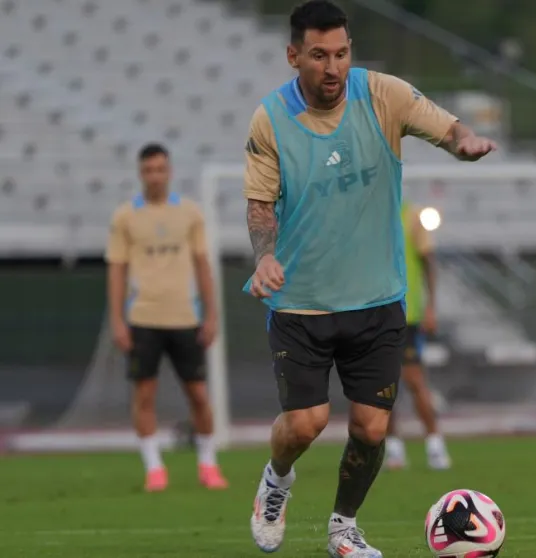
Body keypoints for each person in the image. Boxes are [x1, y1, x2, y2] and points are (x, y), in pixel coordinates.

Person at [242, 2, 496, 556]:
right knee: (306, 424)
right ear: (293, 56)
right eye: (318, 56)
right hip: (302, 303)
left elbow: (447, 127)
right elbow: (261, 206)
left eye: (341, 53)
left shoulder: (383, 94)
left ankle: (343, 527)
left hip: (378, 299)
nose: (333, 68)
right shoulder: (270, 119)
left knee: (372, 428)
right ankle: (276, 479)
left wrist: (465, 143)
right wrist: (264, 257)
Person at [104, 143, 227, 492]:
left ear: (169, 171)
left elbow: (203, 265)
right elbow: (116, 270)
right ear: (140, 173)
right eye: (148, 170)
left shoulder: (189, 213)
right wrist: (117, 320)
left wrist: (212, 314)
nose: (155, 176)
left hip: (185, 317)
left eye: (160, 169)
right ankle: (155, 468)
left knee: (199, 395)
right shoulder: (125, 216)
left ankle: (208, 464)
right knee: (144, 394)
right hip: (143, 317)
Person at [384, 202, 451, 471]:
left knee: (414, 381)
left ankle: (435, 444)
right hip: (373, 317)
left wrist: (431, 307)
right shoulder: (363, 216)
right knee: (382, 387)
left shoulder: (410, 216)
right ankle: (393, 450)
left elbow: (428, 262)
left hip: (406, 315)